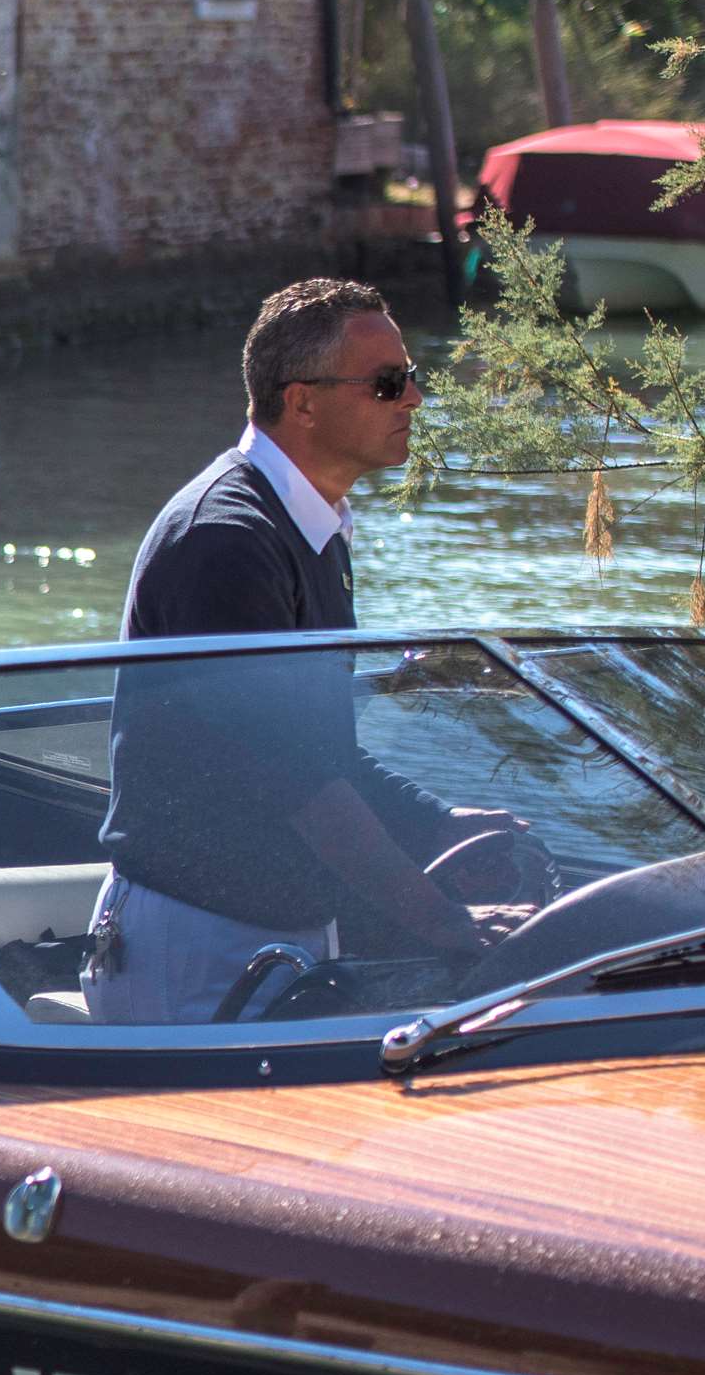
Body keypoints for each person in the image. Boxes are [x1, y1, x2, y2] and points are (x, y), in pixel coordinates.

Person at [87, 277, 498, 1024]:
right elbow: (294, 781)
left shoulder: (309, 525)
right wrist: (441, 922)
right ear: (301, 401)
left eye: (411, 378)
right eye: (386, 383)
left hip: (278, 933)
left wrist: (439, 823)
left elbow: (314, 750)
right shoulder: (225, 540)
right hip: (197, 945)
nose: (412, 400)